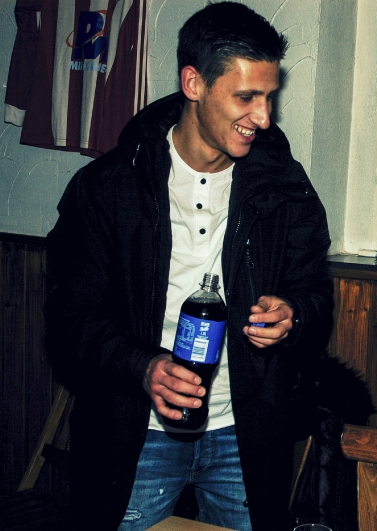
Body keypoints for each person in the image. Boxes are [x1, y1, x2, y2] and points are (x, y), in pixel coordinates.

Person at [43, 3, 333, 529]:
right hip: (137, 435)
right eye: (246, 97)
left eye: (269, 97)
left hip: (245, 435)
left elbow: (315, 292)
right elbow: (70, 319)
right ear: (194, 83)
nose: (264, 118)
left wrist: (293, 313)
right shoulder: (109, 187)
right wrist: (143, 367)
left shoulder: (285, 186)